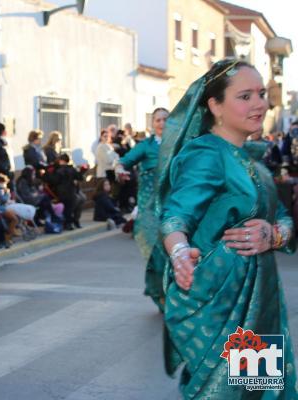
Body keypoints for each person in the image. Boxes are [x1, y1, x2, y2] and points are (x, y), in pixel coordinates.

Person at [156, 59, 297, 398]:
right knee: (227, 392)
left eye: (261, 94)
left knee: (256, 389)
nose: (260, 103)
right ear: (215, 106)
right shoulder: (206, 154)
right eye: (245, 96)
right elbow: (176, 216)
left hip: (258, 300)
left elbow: (285, 218)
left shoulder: (252, 162)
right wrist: (179, 253)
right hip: (221, 305)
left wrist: (273, 234)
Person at [116, 107, 169, 310]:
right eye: (158, 120)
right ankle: (159, 292)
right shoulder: (145, 146)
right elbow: (124, 161)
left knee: (175, 249)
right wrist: (120, 170)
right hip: (149, 204)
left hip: (174, 202)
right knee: (155, 250)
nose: (162, 123)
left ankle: (176, 293)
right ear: (152, 123)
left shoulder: (181, 143)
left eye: (166, 119)